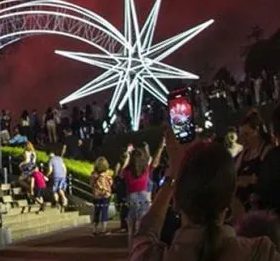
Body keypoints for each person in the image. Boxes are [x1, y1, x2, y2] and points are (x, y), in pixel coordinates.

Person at [130, 128, 280, 260]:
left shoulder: (154, 256)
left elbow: (145, 232)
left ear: (177, 201)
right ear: (230, 197)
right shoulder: (261, 252)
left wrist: (172, 177)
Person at [237, 111, 271, 210]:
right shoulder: (242, 155)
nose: (243, 139)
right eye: (241, 135)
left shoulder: (267, 151)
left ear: (258, 132)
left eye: (247, 134)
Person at [90, 156, 114, 235]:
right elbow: (111, 183)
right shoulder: (107, 175)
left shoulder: (93, 175)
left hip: (96, 195)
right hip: (105, 195)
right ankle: (103, 229)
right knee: (104, 211)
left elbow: (91, 184)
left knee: (96, 212)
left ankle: (94, 229)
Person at [47, 145, 69, 211]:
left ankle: (57, 202)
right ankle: (64, 201)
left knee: (54, 190)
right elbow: (64, 169)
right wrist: (64, 176)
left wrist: (46, 175)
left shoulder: (50, 160)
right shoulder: (60, 158)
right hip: (62, 176)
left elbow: (50, 170)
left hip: (55, 176)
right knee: (60, 189)